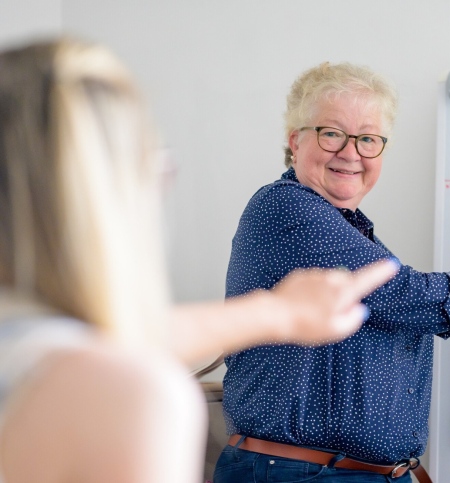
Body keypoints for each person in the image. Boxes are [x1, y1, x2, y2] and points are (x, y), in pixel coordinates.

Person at [0, 39, 397, 483]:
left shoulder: (46, 357)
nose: (350, 151)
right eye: (153, 164)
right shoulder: (128, 397)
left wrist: (277, 312)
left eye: (367, 139)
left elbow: (92, 342)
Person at [215, 61, 450, 483]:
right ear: (295, 140)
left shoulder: (348, 228)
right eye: (331, 133)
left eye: (368, 139)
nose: (350, 152)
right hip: (301, 472)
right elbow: (415, 297)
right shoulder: (289, 208)